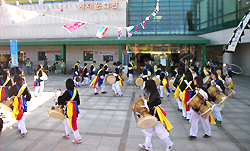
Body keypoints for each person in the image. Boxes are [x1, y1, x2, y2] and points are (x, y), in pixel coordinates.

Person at [139, 80, 173, 151]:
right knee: (148, 131)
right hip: (153, 116)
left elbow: (150, 104)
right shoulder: (153, 93)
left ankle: (169, 144)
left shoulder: (154, 94)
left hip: (156, 117)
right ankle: (147, 145)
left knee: (161, 132)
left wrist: (144, 100)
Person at [58, 78, 81, 144]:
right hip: (74, 109)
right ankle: (67, 133)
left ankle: (78, 138)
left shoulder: (67, 92)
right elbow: (78, 102)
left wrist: (59, 95)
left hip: (69, 109)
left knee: (73, 123)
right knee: (66, 121)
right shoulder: (76, 91)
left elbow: (60, 101)